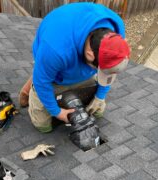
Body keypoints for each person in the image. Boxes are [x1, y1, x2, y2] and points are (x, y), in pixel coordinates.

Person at [19, 2, 130, 133]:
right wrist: (57, 112)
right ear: (90, 54)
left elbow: (110, 70)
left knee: (97, 113)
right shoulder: (55, 49)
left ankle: (46, 72)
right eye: (99, 69)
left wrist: (100, 96)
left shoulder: (116, 32)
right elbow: (42, 83)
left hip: (68, 58)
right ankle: (38, 80)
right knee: (43, 127)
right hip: (54, 58)